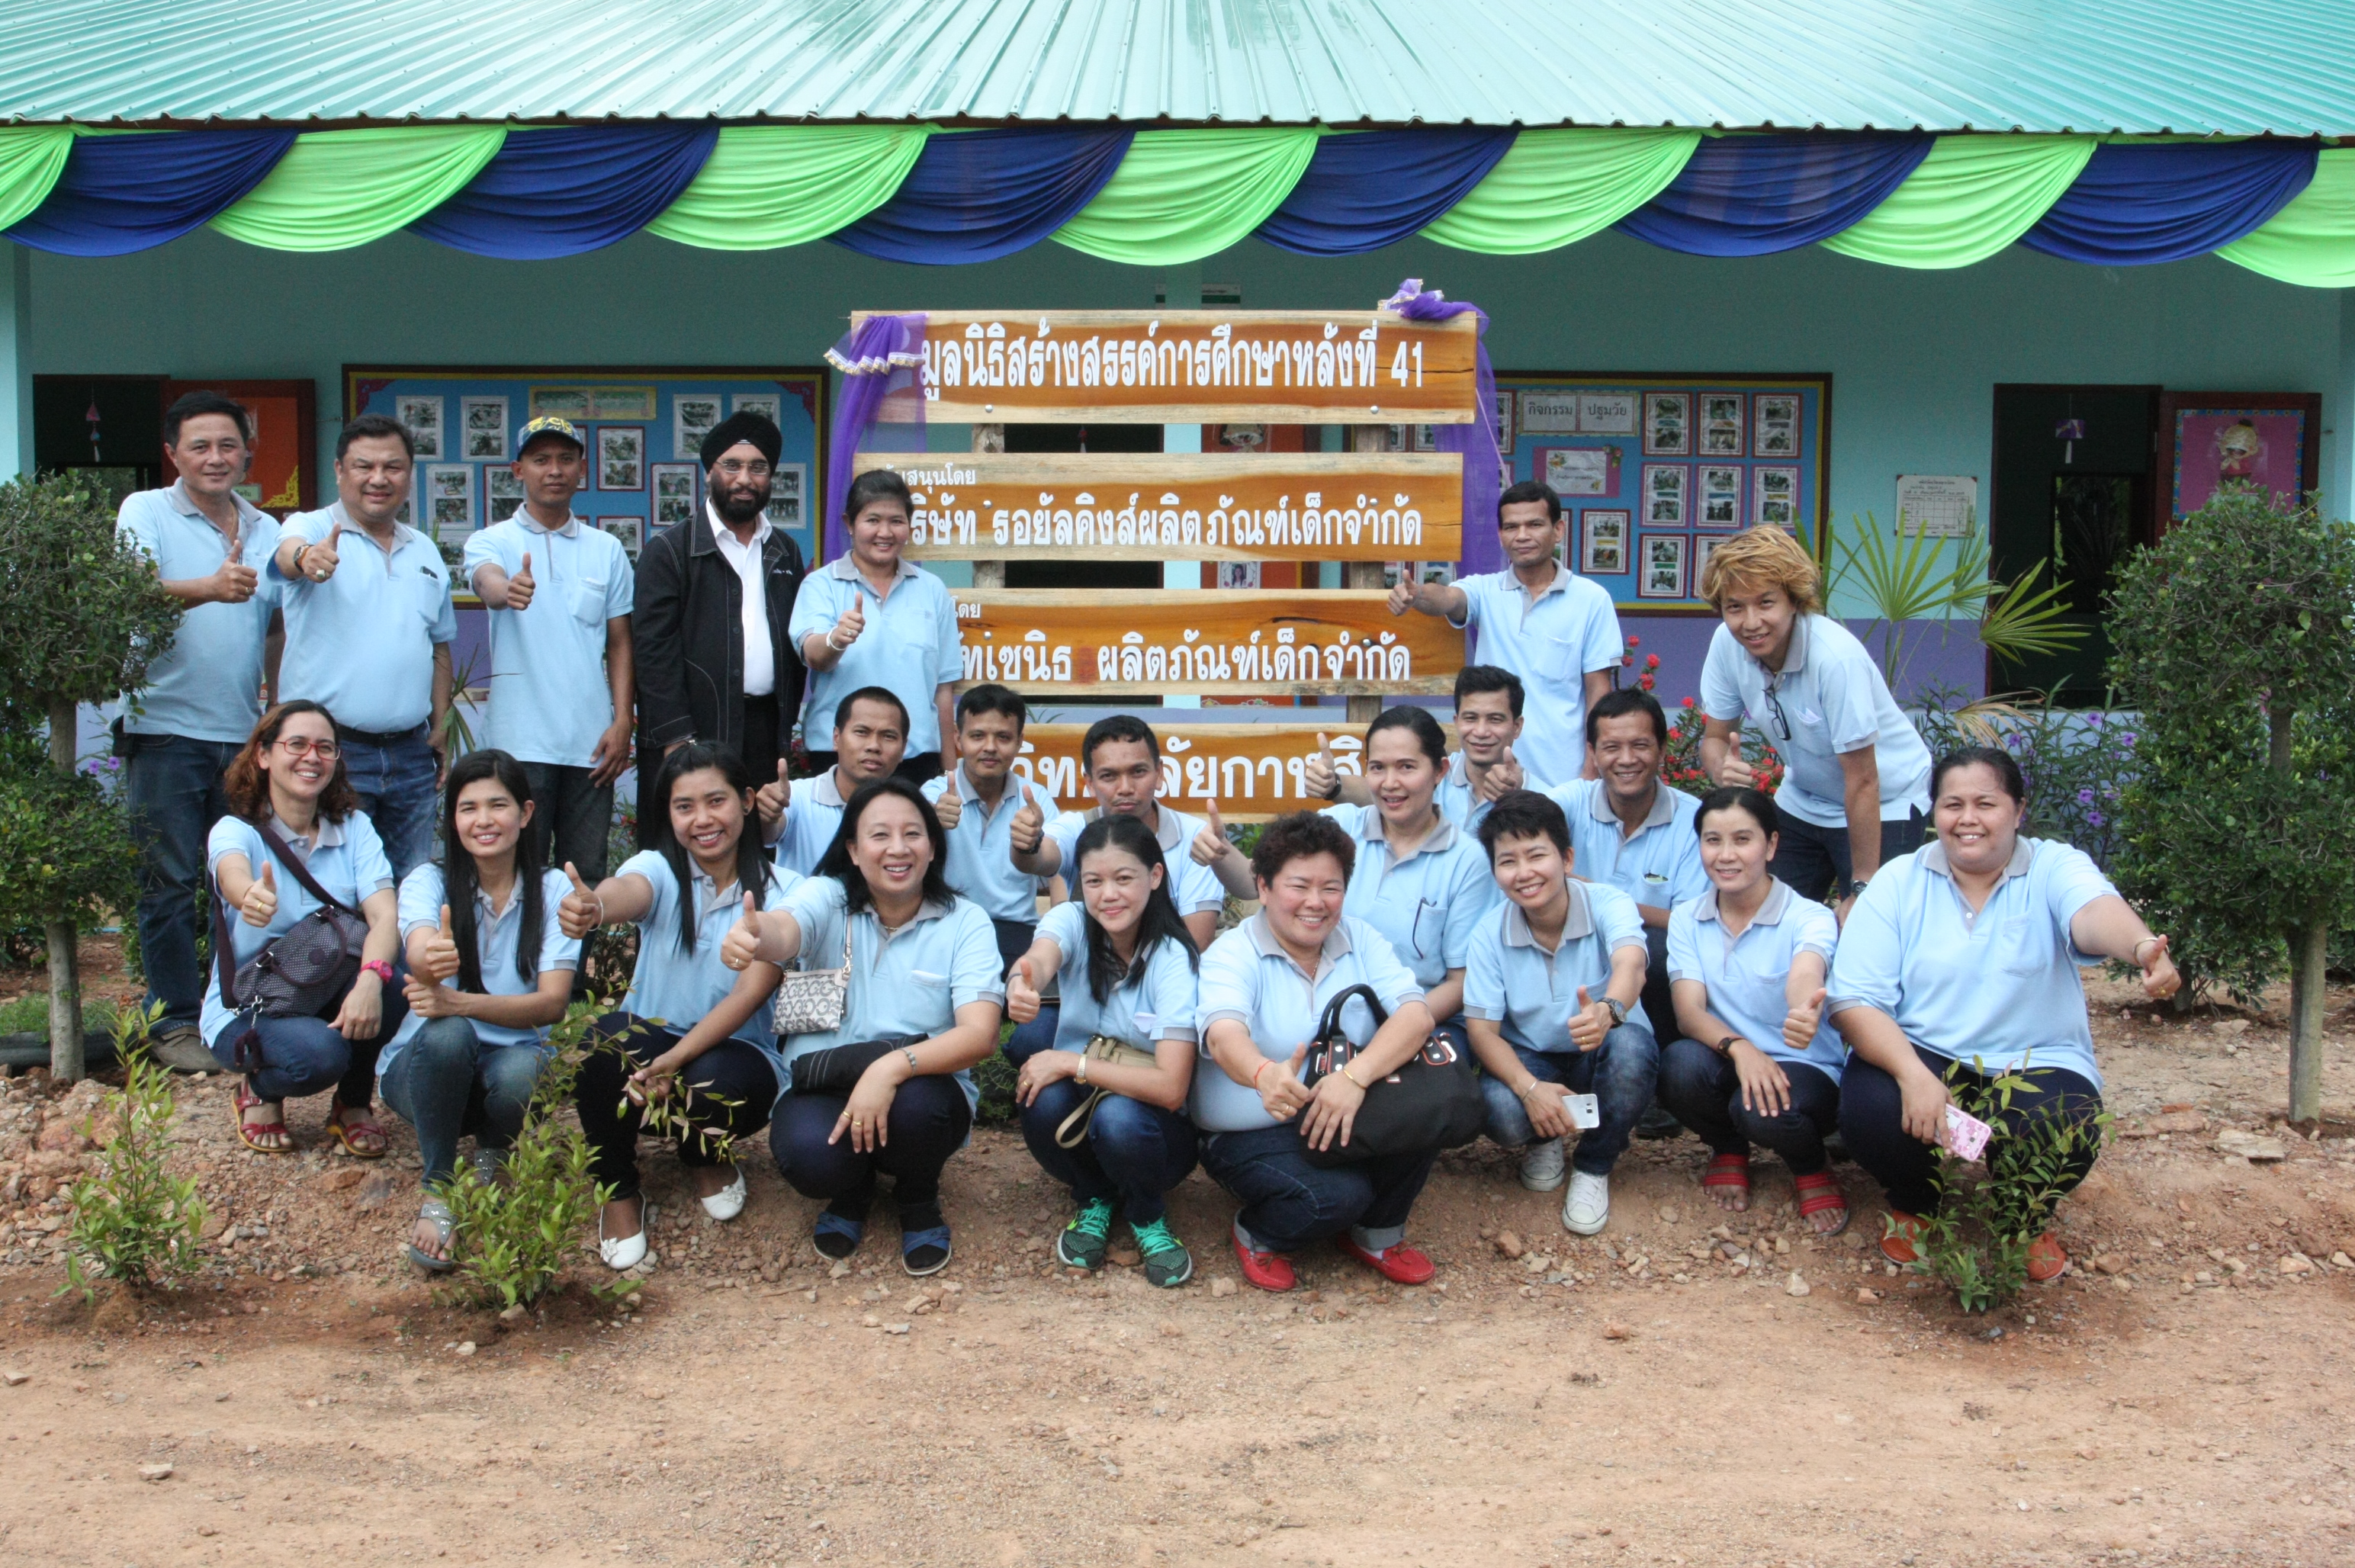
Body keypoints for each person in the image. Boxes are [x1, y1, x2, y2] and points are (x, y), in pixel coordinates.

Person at [1830, 747, 2180, 1279]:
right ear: (1935, 813)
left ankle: (2023, 1220)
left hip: (2036, 1057)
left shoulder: (2053, 867)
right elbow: (1855, 999)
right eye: (1952, 805)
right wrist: (1913, 1075)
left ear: (2018, 811)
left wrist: (2140, 947)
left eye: (1985, 804)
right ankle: (1915, 1203)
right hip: (1926, 1051)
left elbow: (2092, 913)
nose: (1967, 819)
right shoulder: (1899, 882)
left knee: (2064, 1124)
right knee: (1873, 1109)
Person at [720, 778, 1004, 1277]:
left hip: (920, 1083)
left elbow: (980, 1035)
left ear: (933, 846)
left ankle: (918, 1195)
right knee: (810, 1157)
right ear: (852, 849)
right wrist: (755, 936)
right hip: (824, 1079)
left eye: (913, 834)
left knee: (920, 1114)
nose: (898, 848)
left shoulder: (967, 921)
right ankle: (853, 1189)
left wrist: (887, 1070)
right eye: (879, 835)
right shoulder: (826, 897)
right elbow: (786, 929)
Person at [557, 744, 800, 1271]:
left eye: (716, 801)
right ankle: (618, 1189)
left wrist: (674, 1061)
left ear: (747, 801)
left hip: (737, 1056)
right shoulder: (660, 870)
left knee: (714, 1079)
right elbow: (628, 892)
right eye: (684, 806)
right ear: (668, 815)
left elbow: (748, 995)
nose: (702, 819)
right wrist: (595, 907)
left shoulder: (786, 893)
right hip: (649, 1053)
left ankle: (704, 1153)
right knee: (604, 1040)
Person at [1194, 811, 1441, 1292]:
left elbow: (1417, 1016)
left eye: (1331, 887)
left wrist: (1355, 1077)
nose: (1315, 902)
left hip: (1343, 1108)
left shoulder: (1361, 939)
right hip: (1252, 1129)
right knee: (1335, 1198)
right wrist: (1264, 1074)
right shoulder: (1232, 954)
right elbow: (1224, 1034)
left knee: (1424, 1112)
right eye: (1299, 886)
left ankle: (1378, 1233)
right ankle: (1259, 1232)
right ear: (1263, 887)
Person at [116, 390, 284, 1072]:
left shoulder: (267, 527)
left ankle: (231, 1011)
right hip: (164, 727)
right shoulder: (146, 510)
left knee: (236, 884)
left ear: (247, 453)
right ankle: (173, 1022)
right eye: (200, 446)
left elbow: (275, 624)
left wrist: (277, 707)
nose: (216, 458)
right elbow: (127, 593)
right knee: (167, 881)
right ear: (173, 454)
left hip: (242, 734)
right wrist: (207, 588)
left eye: (228, 445)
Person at [381, 749, 577, 1271]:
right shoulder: (427, 881)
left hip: (509, 1068)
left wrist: (458, 1000)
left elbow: (552, 1004)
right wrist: (431, 958)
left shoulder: (553, 888)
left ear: (526, 813)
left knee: (520, 1069)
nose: (483, 820)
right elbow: (419, 949)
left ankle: (493, 1152)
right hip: (423, 1073)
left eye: (498, 805)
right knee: (448, 1034)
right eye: (468, 808)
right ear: (452, 819)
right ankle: (440, 1188)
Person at [1003, 815, 1202, 1287]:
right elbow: (1040, 958)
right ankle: (1094, 1196)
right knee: (1040, 1093)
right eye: (1094, 881)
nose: (1108, 894)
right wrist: (1020, 983)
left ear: (1155, 876)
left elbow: (1171, 1088)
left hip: (1158, 1133)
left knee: (1118, 1117)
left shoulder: (1173, 957)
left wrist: (1072, 1062)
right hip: (1089, 1101)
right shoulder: (1073, 920)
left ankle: (1147, 1214)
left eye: (1124, 878)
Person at [1695, 527, 1933, 918]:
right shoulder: (1726, 644)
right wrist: (1720, 766)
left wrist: (1862, 886)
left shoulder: (1835, 659)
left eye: (1766, 603)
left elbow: (1863, 780)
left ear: (1794, 600)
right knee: (1764, 916)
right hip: (1804, 798)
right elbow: (1715, 738)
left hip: (1885, 800)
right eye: (1735, 607)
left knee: (1871, 922)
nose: (1751, 622)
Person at [203, 701, 406, 1158]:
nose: (311, 757)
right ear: (263, 754)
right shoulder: (236, 830)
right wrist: (248, 895)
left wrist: (370, 980)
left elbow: (384, 916)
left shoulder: (355, 828)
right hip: (251, 1006)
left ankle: (352, 1103)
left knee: (396, 979)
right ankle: (259, 1090)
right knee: (320, 1056)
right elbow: (232, 872)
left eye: (325, 748)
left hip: (326, 986)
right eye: (296, 744)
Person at [269, 413, 455, 880]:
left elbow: (438, 647)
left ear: (409, 474)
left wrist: (440, 725)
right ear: (339, 470)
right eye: (363, 466)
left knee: (412, 885)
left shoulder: (424, 550)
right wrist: (306, 557)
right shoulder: (312, 527)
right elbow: (288, 555)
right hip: (333, 754)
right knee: (334, 887)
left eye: (392, 467)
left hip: (411, 755)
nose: (378, 479)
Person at [1656, 787, 1848, 1234]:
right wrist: (1742, 1049)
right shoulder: (1688, 918)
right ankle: (1728, 1147)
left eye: (1742, 839)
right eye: (1713, 840)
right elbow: (1689, 1012)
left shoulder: (1809, 917)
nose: (1726, 855)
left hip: (1805, 1067)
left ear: (1772, 845)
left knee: (1760, 1109)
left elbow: (1806, 971)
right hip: (1730, 1054)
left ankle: (1810, 1165)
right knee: (1677, 1067)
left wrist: (1803, 1007)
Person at [1463, 790, 1653, 1235]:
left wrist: (1608, 1009)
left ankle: (1594, 1164)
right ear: (1495, 872)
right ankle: (1544, 1134)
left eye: (1536, 855)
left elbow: (1631, 964)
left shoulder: (1608, 902)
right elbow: (1482, 1032)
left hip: (1600, 1048)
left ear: (1566, 858)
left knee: (1631, 1051)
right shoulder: (1488, 934)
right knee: (1501, 1109)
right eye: (1508, 861)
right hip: (1533, 1057)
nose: (1524, 873)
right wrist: (1529, 1089)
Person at [464, 415, 635, 885]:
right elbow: (485, 581)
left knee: (587, 878)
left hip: (592, 747)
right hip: (518, 745)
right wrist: (506, 590)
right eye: (541, 460)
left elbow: (620, 641)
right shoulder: (493, 540)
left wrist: (623, 721)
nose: (554, 470)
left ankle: (577, 944)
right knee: (519, 877)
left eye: (565, 459)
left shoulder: (607, 549)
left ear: (583, 469)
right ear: (518, 471)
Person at [635, 411, 808, 844]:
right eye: (732, 465)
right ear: (709, 472)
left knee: (754, 849)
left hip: (764, 732)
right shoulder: (669, 551)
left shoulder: (784, 550)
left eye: (758, 468)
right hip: (692, 731)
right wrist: (677, 738)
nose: (744, 479)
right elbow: (653, 654)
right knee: (685, 850)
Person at [1386, 480, 1622, 786]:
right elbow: (1448, 598)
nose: (1522, 536)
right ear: (1500, 535)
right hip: (1489, 779)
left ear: (1558, 530)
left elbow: (1598, 693)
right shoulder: (1485, 590)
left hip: (1562, 780)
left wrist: (1590, 773)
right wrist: (1417, 595)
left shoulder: (1592, 599)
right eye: (1511, 527)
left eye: (1534, 524)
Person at [1548, 687, 1708, 1083]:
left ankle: (1664, 1070)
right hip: (1572, 945)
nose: (1626, 759)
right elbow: (1519, 835)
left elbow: (1689, 921)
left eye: (1640, 745)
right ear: (1592, 752)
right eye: (1611, 747)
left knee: (1663, 947)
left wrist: (1600, 898)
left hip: (1650, 956)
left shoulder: (1693, 820)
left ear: (1663, 748)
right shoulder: (1570, 802)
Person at [1320, 706, 1495, 1052]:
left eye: (1407, 767)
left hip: (1425, 1023)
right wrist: (1221, 855)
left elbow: (1461, 983)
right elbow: (1260, 884)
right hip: (1331, 1016)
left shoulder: (1467, 860)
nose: (1390, 783)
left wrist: (1389, 1031)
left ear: (1440, 771)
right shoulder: (1340, 827)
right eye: (1377, 768)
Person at [1010, 715, 1235, 975]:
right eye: (1109, 776)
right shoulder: (1075, 828)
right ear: (1090, 783)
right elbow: (1039, 859)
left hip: (1169, 985)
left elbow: (1195, 945)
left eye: (1138, 772)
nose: (1125, 788)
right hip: (1090, 985)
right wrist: (1027, 843)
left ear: (1159, 774)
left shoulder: (1196, 839)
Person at [789, 469, 962, 782]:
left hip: (915, 760)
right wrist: (836, 639)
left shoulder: (932, 590)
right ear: (849, 524)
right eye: (872, 520)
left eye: (896, 521)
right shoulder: (821, 585)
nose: (885, 532)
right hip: (838, 759)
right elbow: (814, 655)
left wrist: (950, 776)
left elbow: (943, 689)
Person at [922, 685, 1052, 1058]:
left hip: (1014, 930)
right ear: (958, 738)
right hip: (947, 926)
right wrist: (929, 825)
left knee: (1034, 1011)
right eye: (978, 736)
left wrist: (1060, 938)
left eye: (1003, 737)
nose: (990, 747)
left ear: (1020, 742)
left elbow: (1057, 873)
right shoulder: (934, 794)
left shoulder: (1035, 798)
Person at [1308, 664, 1544, 837]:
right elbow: (1381, 792)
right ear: (1457, 722)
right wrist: (1333, 784)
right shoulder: (1437, 771)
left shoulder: (1544, 799)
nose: (1481, 731)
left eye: (1495, 720)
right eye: (1471, 718)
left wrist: (1518, 797)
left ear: (1517, 727)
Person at [765, 686, 911, 876]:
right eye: (862, 732)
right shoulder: (798, 797)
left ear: (903, 749)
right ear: (836, 738)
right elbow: (767, 833)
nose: (874, 746)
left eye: (889, 736)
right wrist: (766, 815)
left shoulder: (912, 809)